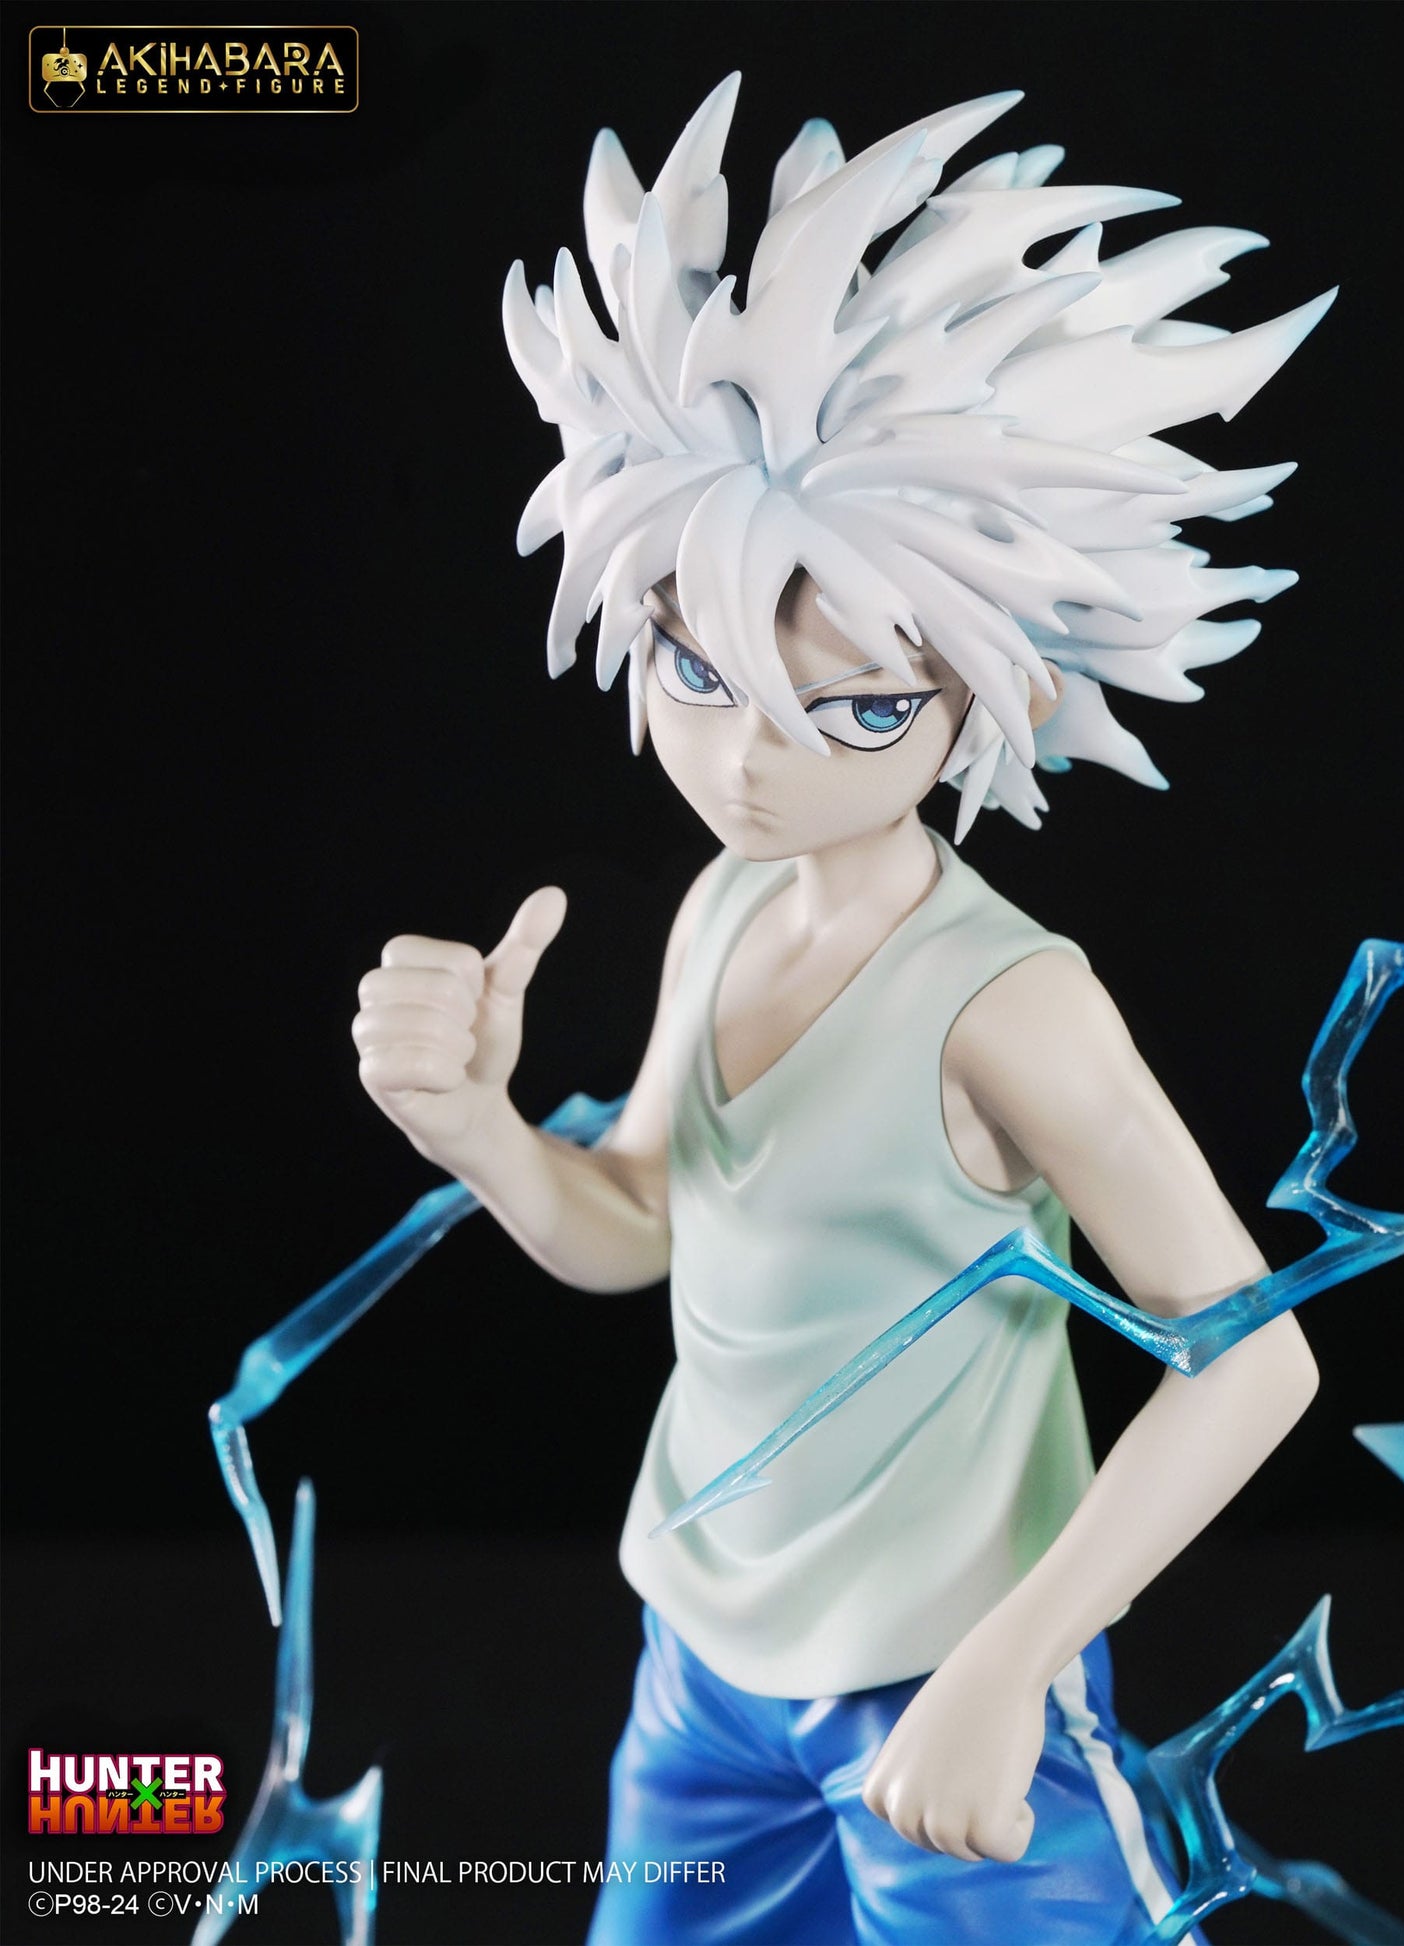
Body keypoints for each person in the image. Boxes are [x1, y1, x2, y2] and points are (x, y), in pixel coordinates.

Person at [350, 75, 1333, 1946]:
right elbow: (641, 1224)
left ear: (994, 697)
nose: (751, 758)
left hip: (946, 1679)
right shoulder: (725, 902)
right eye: (697, 667)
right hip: (703, 1658)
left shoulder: (1007, 1004)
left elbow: (1254, 1352)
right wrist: (478, 1130)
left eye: (860, 707)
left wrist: (1010, 1661)